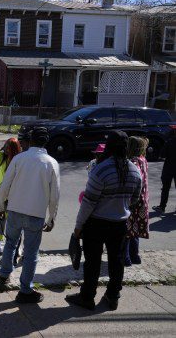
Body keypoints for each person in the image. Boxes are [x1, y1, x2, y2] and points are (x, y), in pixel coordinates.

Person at [66, 131, 142, 311]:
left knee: (92, 262)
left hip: (96, 223)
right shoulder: (134, 170)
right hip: (120, 224)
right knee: (117, 262)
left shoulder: (100, 169)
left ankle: (87, 297)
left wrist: (78, 227)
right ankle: (113, 295)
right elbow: (135, 198)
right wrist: (119, 206)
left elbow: (88, 203)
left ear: (108, 147)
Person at [0, 127, 60, 304]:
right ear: (46, 141)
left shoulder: (19, 158)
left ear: (30, 140)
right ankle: (25, 289)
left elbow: (5, 184)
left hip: (14, 210)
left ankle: (3, 278)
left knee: (10, 244)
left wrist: (0, 206)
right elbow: (54, 195)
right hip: (35, 214)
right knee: (31, 253)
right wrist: (52, 218)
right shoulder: (51, 162)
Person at [0, 137, 22, 254]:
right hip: (1, 194)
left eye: (8, 148)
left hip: (15, 196)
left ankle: (18, 244)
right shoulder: (2, 157)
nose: (6, 150)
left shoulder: (19, 160)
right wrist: (1, 148)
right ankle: (0, 241)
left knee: (16, 221)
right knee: (2, 219)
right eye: (5, 147)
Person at [125, 136, 149, 266]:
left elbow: (135, 180)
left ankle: (126, 258)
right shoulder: (143, 159)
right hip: (143, 199)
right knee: (135, 229)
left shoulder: (133, 162)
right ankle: (135, 256)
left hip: (134, 199)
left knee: (128, 229)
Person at [155, 128, 176, 213]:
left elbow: (162, 155)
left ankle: (162, 207)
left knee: (165, 188)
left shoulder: (169, 142)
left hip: (169, 168)